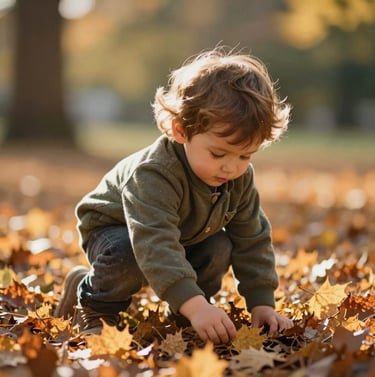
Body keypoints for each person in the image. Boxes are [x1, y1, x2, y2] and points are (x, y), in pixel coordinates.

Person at [55, 46, 294, 344]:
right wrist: (196, 306)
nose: (231, 166)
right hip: (117, 230)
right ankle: (95, 308)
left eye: (245, 155)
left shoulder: (237, 177)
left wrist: (262, 303)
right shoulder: (154, 173)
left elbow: (252, 238)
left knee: (219, 245)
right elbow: (153, 240)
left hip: (182, 234)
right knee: (126, 255)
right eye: (218, 153)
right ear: (181, 131)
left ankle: (188, 314)